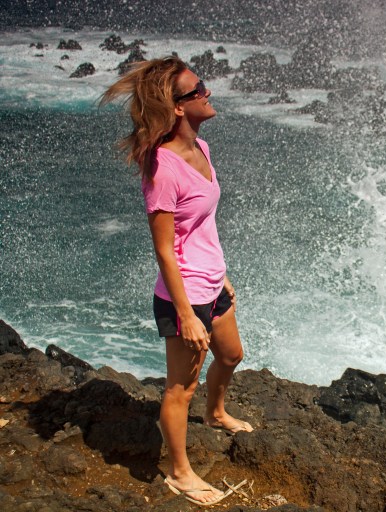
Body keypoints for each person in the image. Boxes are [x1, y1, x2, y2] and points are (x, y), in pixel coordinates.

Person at [100, 56, 253, 506]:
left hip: (211, 282)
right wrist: (186, 314)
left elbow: (200, 226)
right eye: (197, 89)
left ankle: (216, 412)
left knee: (232, 355)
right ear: (179, 107)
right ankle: (179, 473)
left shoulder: (201, 149)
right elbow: (165, 249)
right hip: (183, 296)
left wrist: (221, 274)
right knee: (180, 389)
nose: (208, 91)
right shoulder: (163, 168)